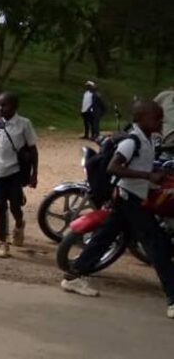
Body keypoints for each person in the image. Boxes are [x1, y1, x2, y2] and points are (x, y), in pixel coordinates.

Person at [60, 101, 174, 319]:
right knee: (156, 244)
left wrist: (156, 175)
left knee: (104, 237)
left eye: (161, 117)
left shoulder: (148, 140)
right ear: (141, 119)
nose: (161, 121)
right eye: (156, 117)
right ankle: (173, 299)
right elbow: (114, 167)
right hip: (130, 200)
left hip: (127, 199)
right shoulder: (132, 142)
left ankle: (73, 277)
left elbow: (144, 165)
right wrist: (148, 176)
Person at [0, 92, 39, 258]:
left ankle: (19, 224)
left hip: (15, 171)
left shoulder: (24, 124)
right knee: (0, 206)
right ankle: (2, 243)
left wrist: (35, 173)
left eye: (4, 105)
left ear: (14, 107)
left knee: (14, 205)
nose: (0, 108)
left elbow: (33, 150)